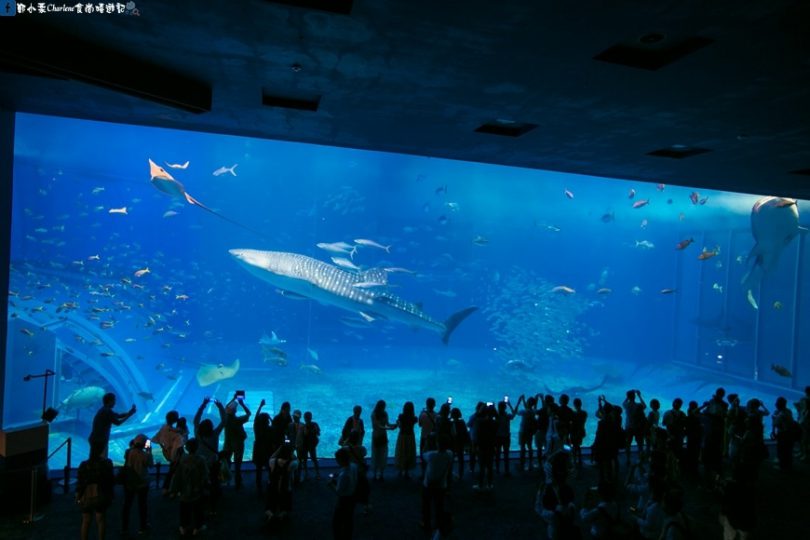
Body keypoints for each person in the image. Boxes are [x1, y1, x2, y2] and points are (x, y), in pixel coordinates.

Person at [193, 396, 226, 516]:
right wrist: (220, 406)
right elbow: (224, 420)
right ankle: (213, 508)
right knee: (214, 482)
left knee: (200, 482)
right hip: (212, 463)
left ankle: (200, 505)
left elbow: (196, 420)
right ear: (211, 426)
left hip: (200, 463)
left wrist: (203, 404)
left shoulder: (198, 433)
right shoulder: (215, 434)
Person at [170, 438, 208, 537]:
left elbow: (177, 476)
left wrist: (175, 489)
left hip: (183, 490)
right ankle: (197, 527)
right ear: (197, 447)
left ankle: (183, 526)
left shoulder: (182, 459)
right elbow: (204, 475)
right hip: (197, 490)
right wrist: (203, 485)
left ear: (186, 448)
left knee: (184, 509)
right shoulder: (201, 459)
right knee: (197, 509)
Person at [76, 442, 114, 540]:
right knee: (101, 520)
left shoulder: (84, 464)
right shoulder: (107, 463)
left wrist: (78, 496)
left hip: (86, 496)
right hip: (100, 495)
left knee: (85, 521)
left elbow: (80, 482)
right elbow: (110, 480)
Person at [121, 434, 153, 536]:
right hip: (142, 483)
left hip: (129, 482)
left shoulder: (128, 452)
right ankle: (142, 527)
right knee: (142, 505)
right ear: (144, 444)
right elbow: (150, 465)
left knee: (127, 505)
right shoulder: (145, 455)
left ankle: (124, 527)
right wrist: (149, 451)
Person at [421, 434, 454, 533]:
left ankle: (426, 524)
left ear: (437, 444)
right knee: (439, 505)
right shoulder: (449, 454)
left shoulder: (431, 455)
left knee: (426, 505)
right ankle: (439, 523)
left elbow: (423, 454)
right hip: (441, 485)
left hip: (428, 484)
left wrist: (427, 443)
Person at [88, 393, 136, 458]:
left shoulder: (104, 410)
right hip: (99, 440)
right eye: (114, 401)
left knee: (96, 459)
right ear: (110, 401)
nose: (115, 403)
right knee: (98, 459)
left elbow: (118, 415)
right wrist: (129, 415)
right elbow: (118, 422)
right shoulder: (107, 411)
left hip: (96, 439)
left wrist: (129, 412)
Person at [222, 392, 251, 489]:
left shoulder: (225, 418)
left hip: (228, 443)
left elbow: (226, 407)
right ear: (234, 411)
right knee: (238, 464)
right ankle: (238, 482)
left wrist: (233, 399)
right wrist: (242, 404)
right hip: (238, 444)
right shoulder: (238, 420)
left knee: (227, 462)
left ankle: (226, 480)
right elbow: (249, 413)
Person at [265, 442, 298, 522]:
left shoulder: (272, 461)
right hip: (286, 487)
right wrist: (291, 452)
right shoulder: (293, 464)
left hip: (273, 486)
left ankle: (271, 515)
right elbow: (296, 459)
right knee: (286, 507)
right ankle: (281, 516)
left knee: (269, 506)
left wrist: (279, 450)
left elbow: (272, 457)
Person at [330, 447, 358, 540]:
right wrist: (337, 475)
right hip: (353, 497)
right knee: (349, 519)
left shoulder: (344, 475)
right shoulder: (354, 466)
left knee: (336, 522)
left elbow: (339, 492)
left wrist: (331, 485)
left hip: (344, 500)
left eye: (337, 459)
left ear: (340, 460)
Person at [152, 410, 182, 495]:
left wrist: (164, 448)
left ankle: (167, 489)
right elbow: (179, 444)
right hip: (176, 454)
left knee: (172, 470)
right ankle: (173, 489)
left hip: (167, 452)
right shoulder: (175, 432)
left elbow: (155, 439)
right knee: (175, 471)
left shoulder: (164, 428)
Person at [370, 399, 397, 481]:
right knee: (376, 455)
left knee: (383, 455)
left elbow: (387, 424)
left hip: (383, 436)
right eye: (383, 407)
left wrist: (395, 425)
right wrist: (389, 428)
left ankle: (381, 474)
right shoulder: (373, 414)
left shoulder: (385, 413)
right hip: (376, 436)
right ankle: (375, 474)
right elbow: (378, 426)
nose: (384, 408)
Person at [253, 399, 273, 494]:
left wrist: (260, 406)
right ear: (267, 421)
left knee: (258, 470)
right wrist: (270, 418)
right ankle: (270, 483)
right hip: (267, 452)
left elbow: (256, 418)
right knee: (269, 469)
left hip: (258, 451)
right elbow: (275, 426)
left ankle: (258, 486)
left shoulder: (257, 428)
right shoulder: (269, 429)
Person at [395, 401, 418, 479]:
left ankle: (401, 470)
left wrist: (397, 423)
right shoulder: (414, 418)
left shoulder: (401, 416)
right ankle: (407, 471)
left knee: (402, 452)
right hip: (410, 436)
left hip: (402, 436)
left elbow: (400, 426)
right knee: (409, 452)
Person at [300, 411, 321, 480]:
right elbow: (318, 434)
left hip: (309, 445)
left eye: (307, 418)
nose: (307, 419)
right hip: (308, 445)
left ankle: (309, 473)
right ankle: (315, 473)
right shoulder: (306, 425)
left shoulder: (305, 425)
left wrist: (315, 430)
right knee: (311, 459)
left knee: (308, 460)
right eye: (307, 418)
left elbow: (318, 433)